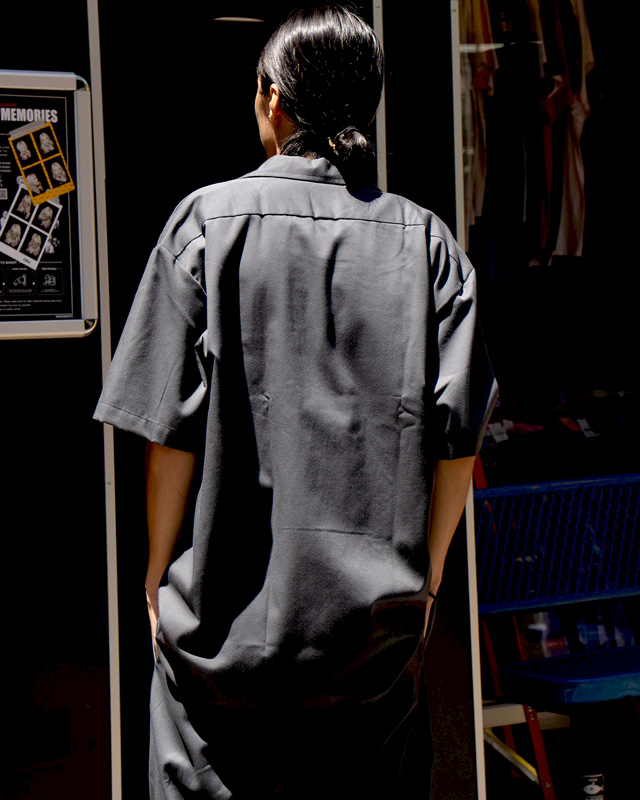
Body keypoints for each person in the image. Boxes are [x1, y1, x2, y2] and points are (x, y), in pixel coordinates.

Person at [94, 6, 497, 799]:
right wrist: (428, 582)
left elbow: (167, 435)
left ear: (273, 99)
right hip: (371, 653)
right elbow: (458, 439)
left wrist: (154, 576)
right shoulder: (428, 244)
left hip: (217, 644)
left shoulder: (204, 226)